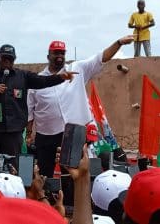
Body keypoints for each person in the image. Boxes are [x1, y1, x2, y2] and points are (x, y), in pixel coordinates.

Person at [27, 35, 134, 177]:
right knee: (44, 175)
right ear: (49, 55)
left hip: (73, 134)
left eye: (62, 53)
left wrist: (119, 42)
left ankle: (72, 199)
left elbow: (102, 57)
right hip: (46, 136)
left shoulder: (77, 69)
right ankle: (47, 198)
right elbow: (29, 111)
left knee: (73, 175)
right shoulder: (38, 80)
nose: (59, 56)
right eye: (56, 53)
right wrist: (28, 134)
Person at [0, 44, 76, 174]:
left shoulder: (22, 76)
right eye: (4, 58)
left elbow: (42, 81)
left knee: (13, 169)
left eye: (10, 59)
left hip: (14, 132)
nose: (7, 62)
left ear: (15, 59)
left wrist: (60, 78)